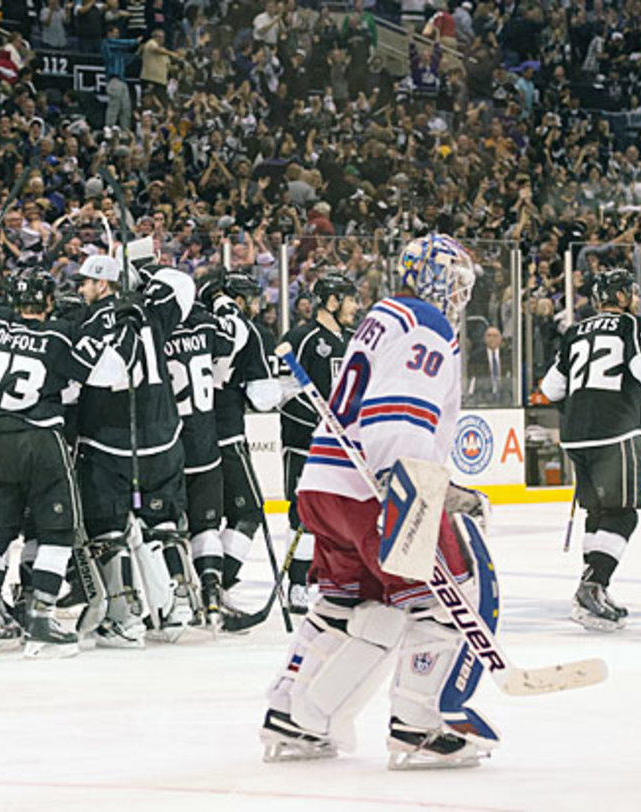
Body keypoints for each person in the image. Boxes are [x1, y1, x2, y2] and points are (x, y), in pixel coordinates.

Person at [261, 234, 503, 770]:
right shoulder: (427, 323)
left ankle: (295, 713)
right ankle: (421, 723)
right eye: (455, 280)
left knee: (349, 604)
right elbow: (400, 409)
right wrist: (411, 482)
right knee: (446, 596)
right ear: (433, 277)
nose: (460, 293)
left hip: (326, 480)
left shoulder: (382, 316)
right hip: (377, 484)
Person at [0, 270, 120, 657]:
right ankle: (40, 618)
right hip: (40, 441)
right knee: (57, 533)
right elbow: (109, 374)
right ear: (49, 302)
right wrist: (104, 328)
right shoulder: (59, 333)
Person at [72, 254, 194, 648]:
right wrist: (145, 277)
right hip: (163, 437)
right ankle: (178, 606)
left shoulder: (91, 320)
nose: (80, 289)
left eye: (86, 282)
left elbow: (94, 377)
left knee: (108, 527)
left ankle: (124, 618)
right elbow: (184, 284)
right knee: (164, 523)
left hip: (110, 441)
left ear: (103, 284)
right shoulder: (151, 309)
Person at [540, 268, 641, 631]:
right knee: (622, 515)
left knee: (597, 514)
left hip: (576, 434)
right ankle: (593, 586)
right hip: (614, 430)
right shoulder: (631, 325)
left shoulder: (575, 331)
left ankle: (593, 588)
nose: (635, 299)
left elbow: (551, 388)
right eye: (631, 293)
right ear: (621, 296)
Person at [276, 272, 358, 614]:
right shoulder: (300, 338)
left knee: (345, 515)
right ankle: (297, 583)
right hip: (305, 443)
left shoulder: (354, 340)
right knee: (305, 516)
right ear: (332, 301)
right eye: (350, 299)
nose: (355, 306)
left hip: (343, 447)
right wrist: (318, 426)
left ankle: (338, 579)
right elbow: (283, 394)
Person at [203, 271, 281, 609]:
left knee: (201, 520)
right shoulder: (252, 332)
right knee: (248, 513)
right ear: (237, 300)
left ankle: (188, 590)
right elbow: (264, 397)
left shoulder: (194, 326)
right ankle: (216, 583)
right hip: (228, 435)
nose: (255, 306)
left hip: (186, 436)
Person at [163, 290, 238, 629]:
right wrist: (223, 305)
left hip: (169, 445)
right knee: (206, 528)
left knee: (164, 526)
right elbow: (233, 341)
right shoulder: (206, 326)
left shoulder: (155, 330)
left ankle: (178, 597)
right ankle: (212, 597)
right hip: (206, 445)